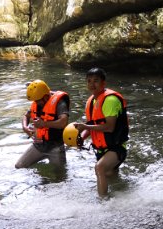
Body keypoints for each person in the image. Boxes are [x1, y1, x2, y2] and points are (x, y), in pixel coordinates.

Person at [74, 67, 129, 197]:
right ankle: (122, 198)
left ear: (103, 83)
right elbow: (92, 125)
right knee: (111, 176)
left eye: (96, 81)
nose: (92, 84)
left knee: (100, 168)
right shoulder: (92, 101)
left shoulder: (110, 100)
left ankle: (103, 203)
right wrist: (81, 138)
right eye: (89, 81)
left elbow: (109, 127)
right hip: (101, 149)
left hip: (116, 147)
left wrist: (84, 127)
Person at [15, 79, 70, 169]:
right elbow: (26, 116)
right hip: (39, 146)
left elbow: (63, 122)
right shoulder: (37, 102)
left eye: (37, 100)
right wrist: (25, 127)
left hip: (55, 147)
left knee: (59, 177)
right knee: (19, 166)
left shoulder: (60, 103)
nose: (36, 103)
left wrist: (44, 124)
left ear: (45, 97)